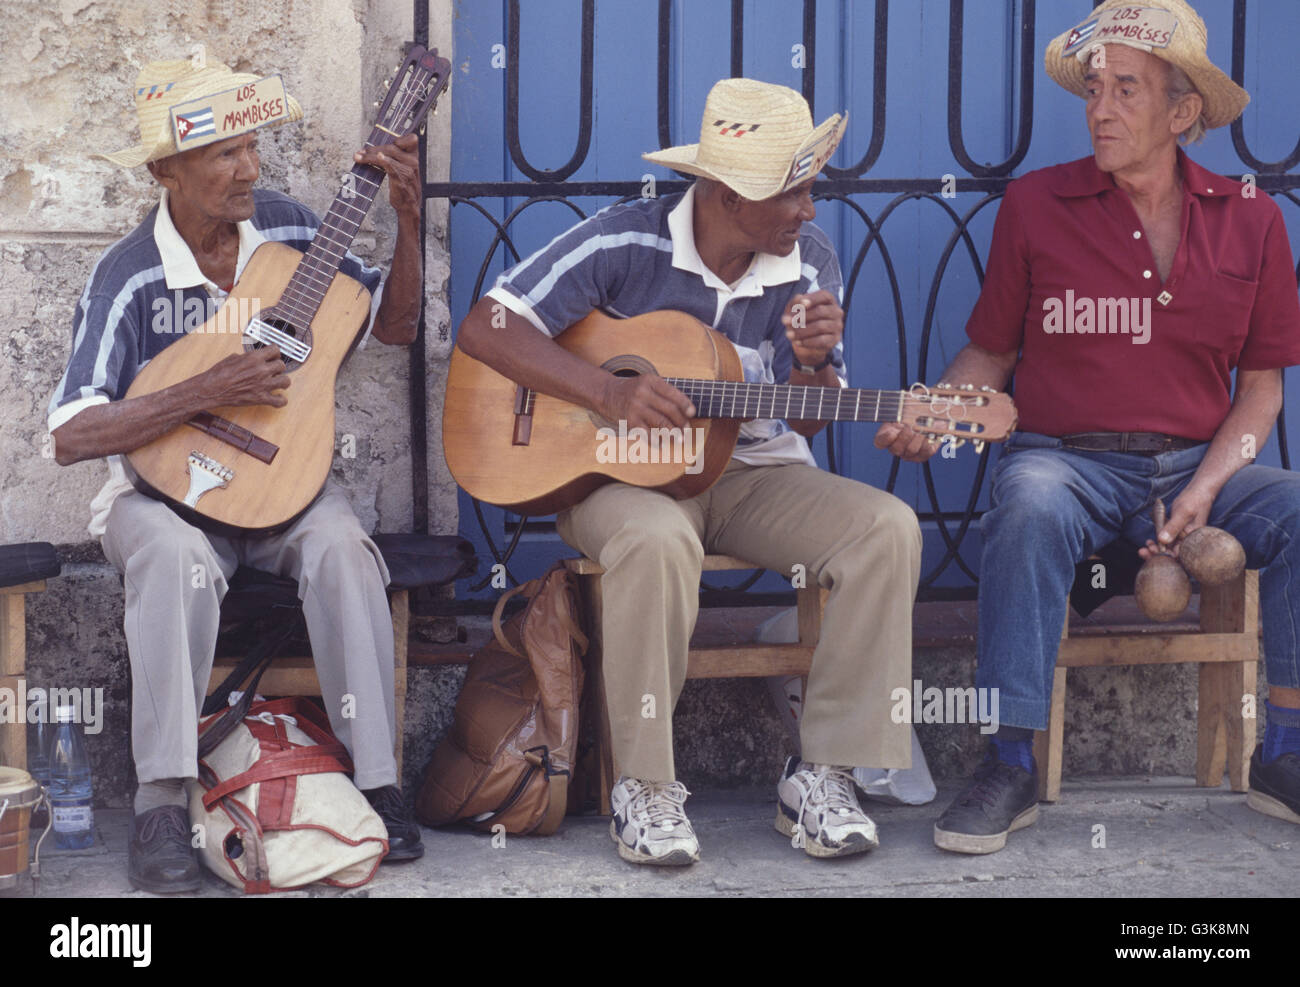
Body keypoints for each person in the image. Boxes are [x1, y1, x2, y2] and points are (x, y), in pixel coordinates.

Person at [456, 78, 921, 865]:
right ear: (728, 195)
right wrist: (607, 390)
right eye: (793, 193)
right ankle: (645, 785)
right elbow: (486, 324)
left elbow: (808, 416)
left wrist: (811, 368)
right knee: (660, 540)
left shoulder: (809, 262)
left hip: (749, 473)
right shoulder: (621, 241)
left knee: (887, 527)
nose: (810, 209)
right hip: (614, 479)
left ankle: (822, 773)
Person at [876, 0, 1300, 852]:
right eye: (1094, 90)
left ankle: (1283, 751)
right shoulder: (1037, 204)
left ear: (1183, 113)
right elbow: (990, 354)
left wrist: (1208, 490)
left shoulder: (1252, 217)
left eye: (1126, 91)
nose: (1100, 109)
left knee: (1296, 510)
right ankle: (1009, 761)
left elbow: (1260, 392)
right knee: (1027, 505)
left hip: (1195, 464)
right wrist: (938, 417)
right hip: (1066, 461)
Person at [48, 56, 427, 891]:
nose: (248, 169)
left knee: (343, 549)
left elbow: (394, 328)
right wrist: (209, 387)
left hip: (284, 485)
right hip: (161, 495)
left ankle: (378, 782)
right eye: (222, 154)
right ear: (166, 171)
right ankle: (161, 797)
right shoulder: (127, 273)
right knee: (173, 561)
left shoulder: (295, 234)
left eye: (252, 147)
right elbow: (72, 433)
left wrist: (408, 225)